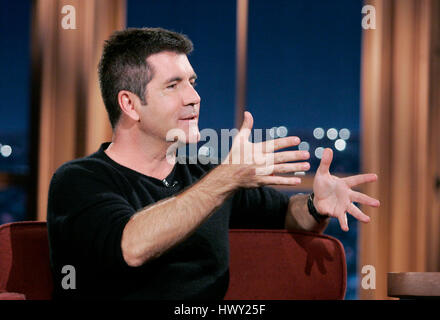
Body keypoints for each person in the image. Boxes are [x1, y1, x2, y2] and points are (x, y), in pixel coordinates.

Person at [47, 27, 380, 300]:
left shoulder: (204, 175)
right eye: (173, 85)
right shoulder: (78, 180)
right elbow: (131, 246)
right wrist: (225, 178)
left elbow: (289, 218)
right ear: (130, 104)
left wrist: (316, 205)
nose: (194, 97)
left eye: (192, 82)